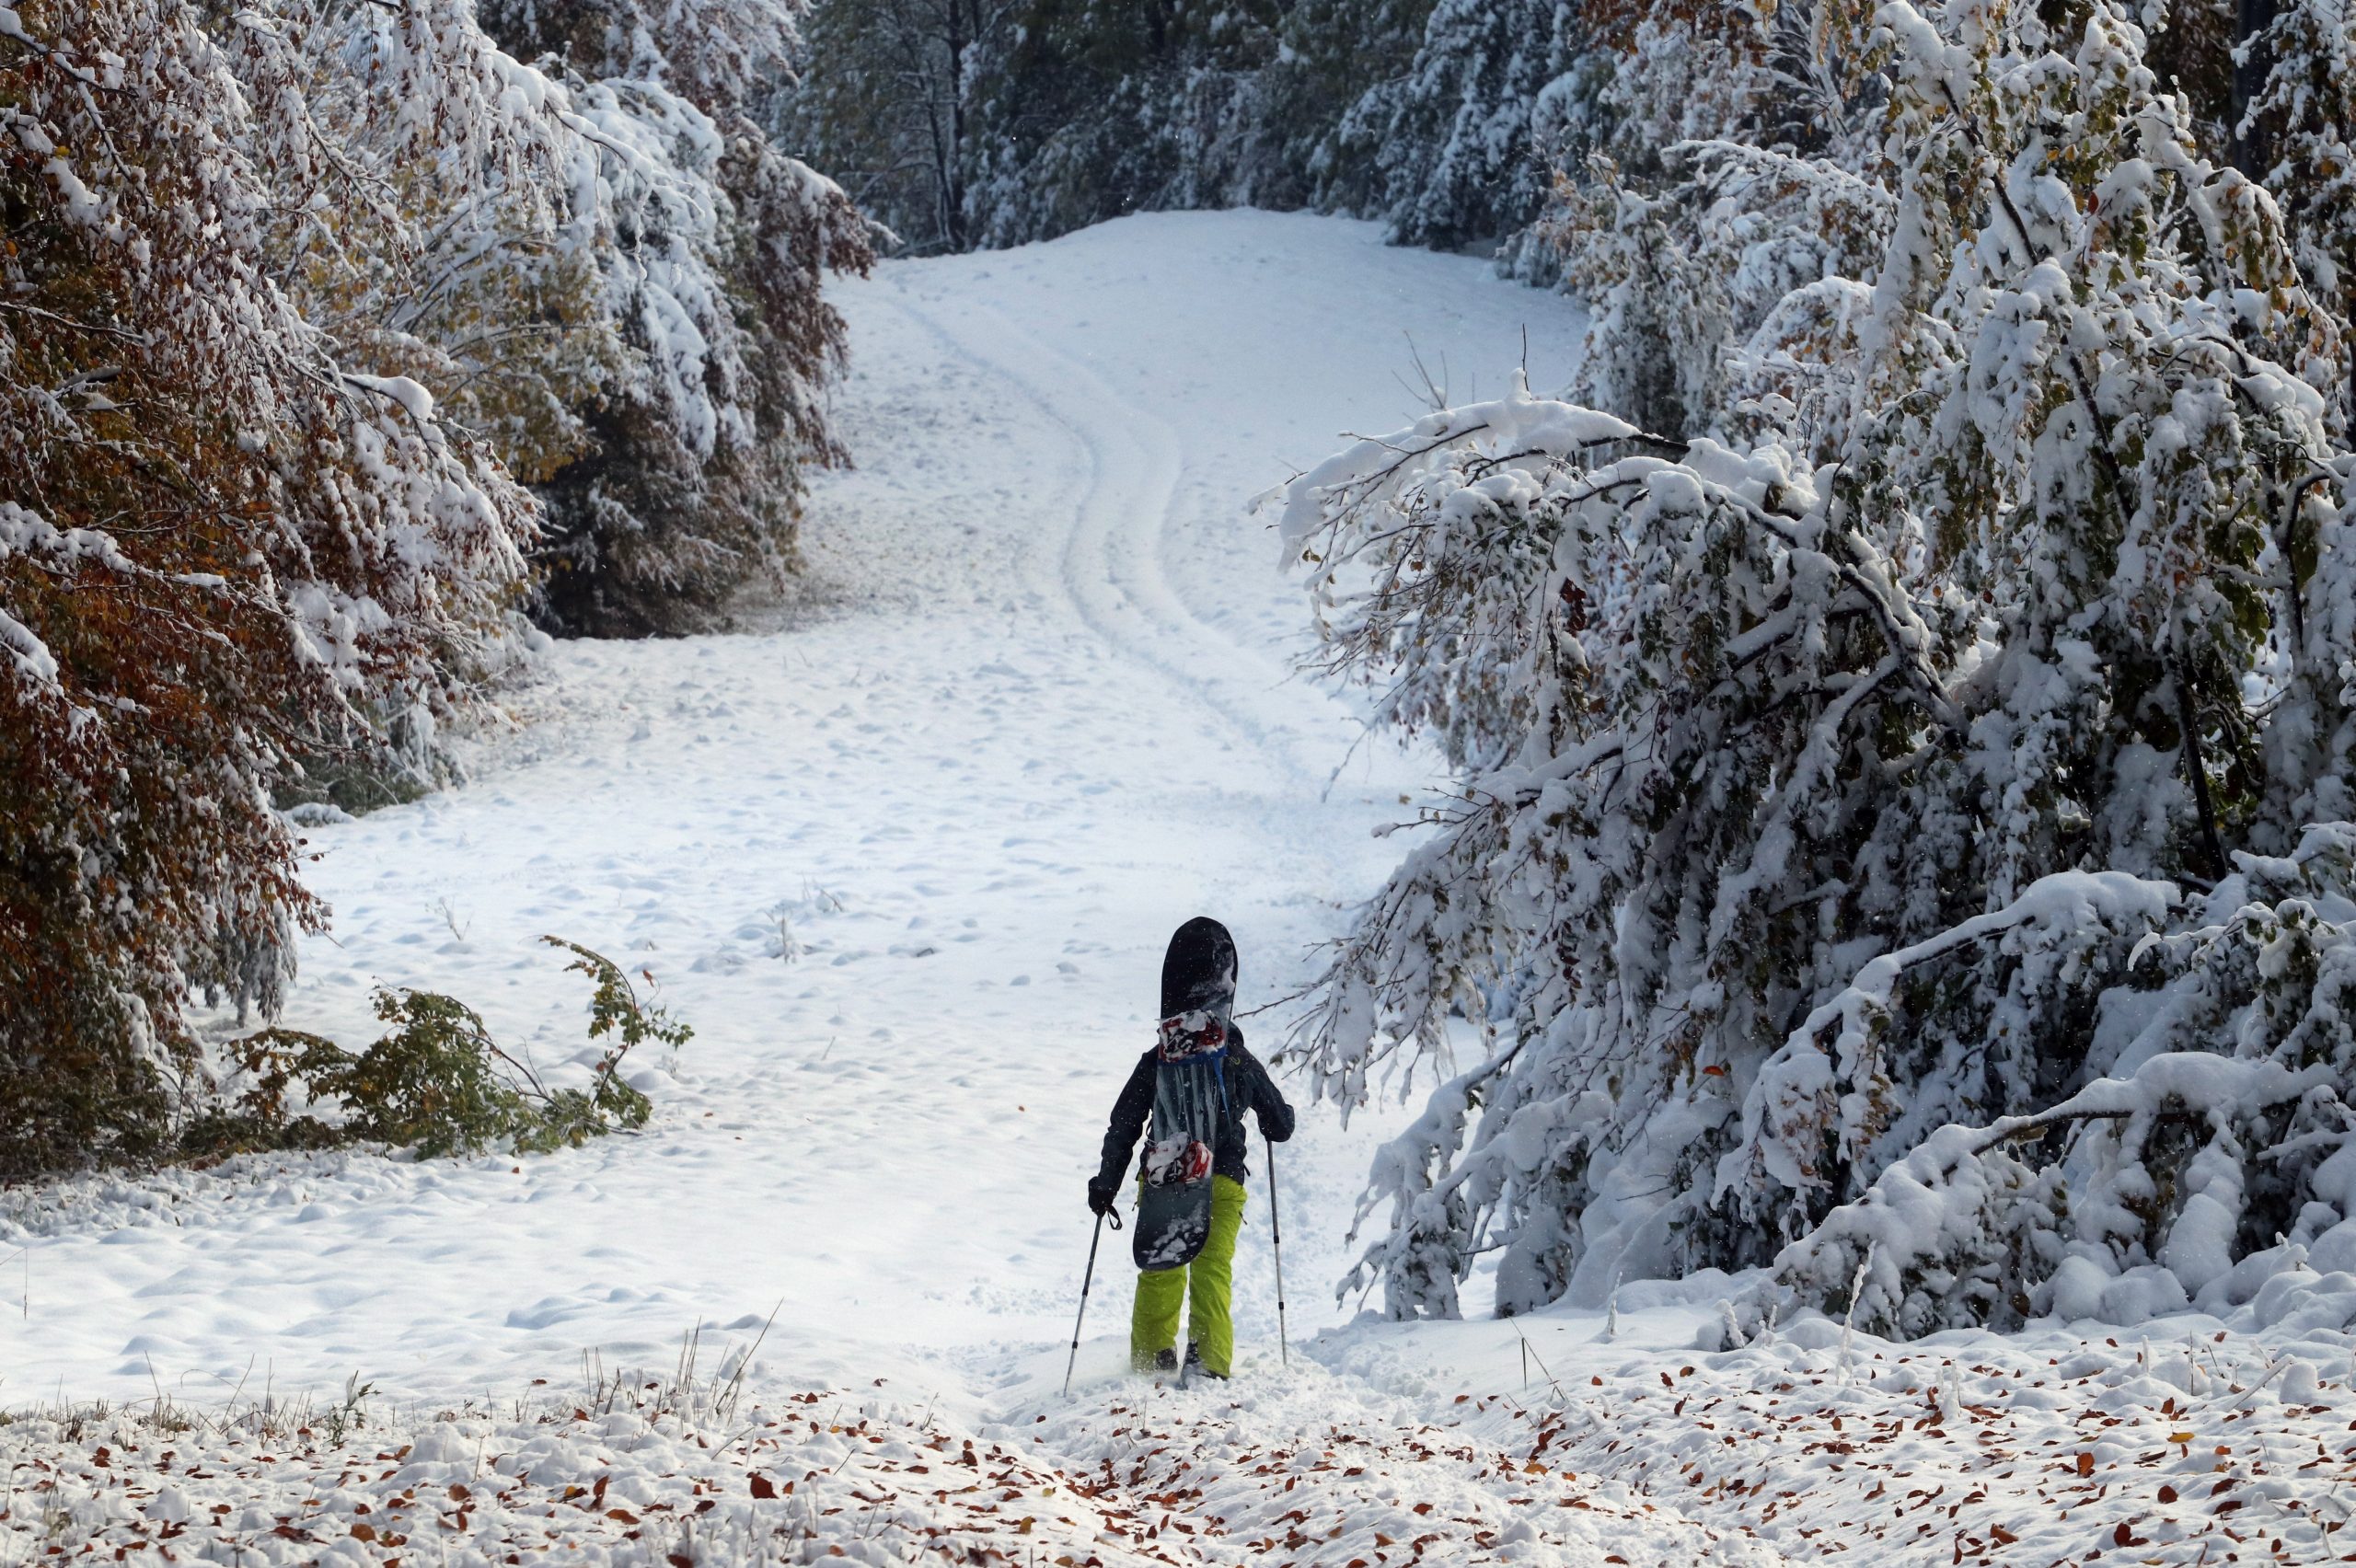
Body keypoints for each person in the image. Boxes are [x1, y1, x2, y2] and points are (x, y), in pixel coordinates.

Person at [1087, 917, 1294, 1379]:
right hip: (1221, 1178)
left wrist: (1106, 1184)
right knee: (1211, 1270)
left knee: (1162, 1268)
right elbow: (1280, 1126)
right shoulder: (1238, 1058)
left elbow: (1124, 1125)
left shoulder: (1157, 1059)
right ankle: (1208, 1363)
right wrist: (1268, 1114)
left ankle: (1151, 1360)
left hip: (1168, 1175)